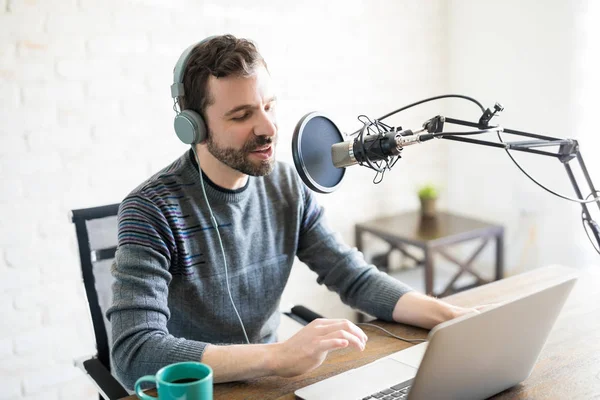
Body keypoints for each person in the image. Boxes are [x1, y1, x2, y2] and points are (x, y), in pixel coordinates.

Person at [106, 34, 481, 389]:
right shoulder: (150, 210)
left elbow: (353, 277)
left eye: (269, 106)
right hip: (199, 390)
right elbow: (134, 353)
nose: (268, 128)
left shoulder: (286, 185)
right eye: (241, 116)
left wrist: (452, 320)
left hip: (268, 384)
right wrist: (276, 356)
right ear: (194, 127)